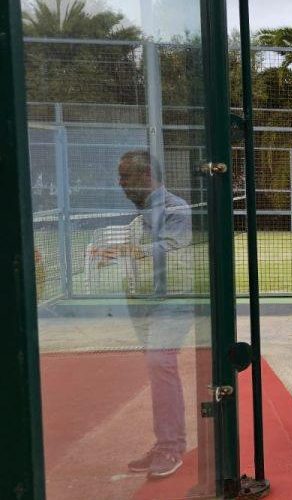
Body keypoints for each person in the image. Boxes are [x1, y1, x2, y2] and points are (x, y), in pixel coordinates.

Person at [91, 150, 192, 479]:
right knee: (158, 369)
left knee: (160, 363)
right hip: (144, 302)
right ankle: (166, 441)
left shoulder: (176, 209)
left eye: (125, 177)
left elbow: (169, 247)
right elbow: (142, 254)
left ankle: (171, 447)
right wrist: (114, 255)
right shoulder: (139, 217)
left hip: (173, 301)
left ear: (147, 175)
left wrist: (125, 250)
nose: (120, 183)